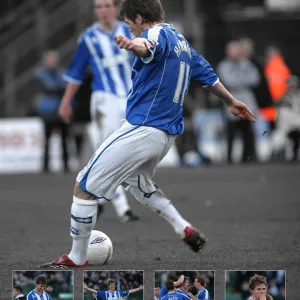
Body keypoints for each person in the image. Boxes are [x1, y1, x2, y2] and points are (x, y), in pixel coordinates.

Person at [40, 0, 255, 268]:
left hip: (143, 128)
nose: (129, 28)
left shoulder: (154, 35)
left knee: (83, 187)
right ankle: (182, 226)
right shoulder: (181, 41)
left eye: (129, 22)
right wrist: (230, 101)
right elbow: (208, 76)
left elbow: (148, 46)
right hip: (165, 136)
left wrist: (134, 45)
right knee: (137, 182)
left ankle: (77, 257)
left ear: (139, 18)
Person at [59, 0, 139, 222]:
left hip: (131, 97)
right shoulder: (88, 37)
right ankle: (123, 208)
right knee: (109, 149)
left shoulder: (128, 31)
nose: (102, 11)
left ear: (115, 8)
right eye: (98, 7)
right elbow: (75, 73)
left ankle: (102, 198)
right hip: (104, 99)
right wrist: (66, 102)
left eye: (106, 5)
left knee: (128, 150)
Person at [217, 40, 259, 164]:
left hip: (247, 103)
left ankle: (248, 158)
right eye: (233, 50)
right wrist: (243, 80)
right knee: (231, 132)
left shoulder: (246, 64)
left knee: (248, 132)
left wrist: (239, 80)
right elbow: (228, 81)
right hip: (232, 103)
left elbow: (255, 79)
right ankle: (229, 159)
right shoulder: (223, 65)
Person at [34, 50, 70, 173]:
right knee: (47, 139)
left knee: (65, 138)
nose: (52, 62)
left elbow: (66, 87)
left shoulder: (61, 72)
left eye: (53, 59)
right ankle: (45, 166)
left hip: (61, 110)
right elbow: (51, 87)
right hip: (48, 111)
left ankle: (66, 165)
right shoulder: (41, 74)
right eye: (49, 59)